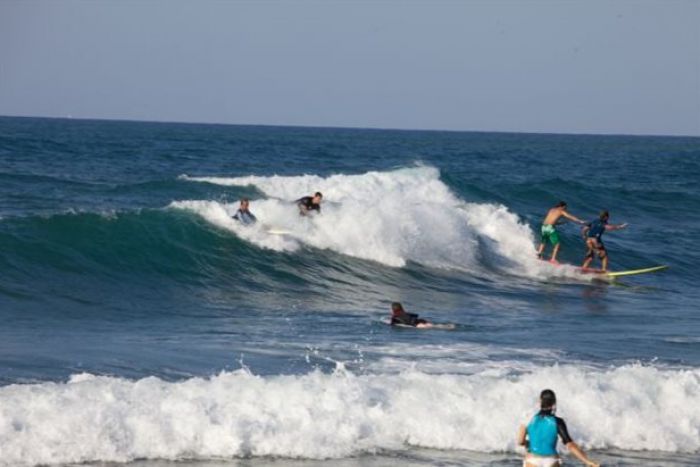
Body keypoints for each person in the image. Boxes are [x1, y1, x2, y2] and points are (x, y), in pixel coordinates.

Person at [517, 389, 599, 467]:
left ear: (540, 401)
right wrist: (587, 461)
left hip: (532, 459)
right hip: (551, 460)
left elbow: (520, 441)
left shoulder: (528, 418)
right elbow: (570, 445)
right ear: (554, 402)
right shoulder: (558, 421)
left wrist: (527, 443)